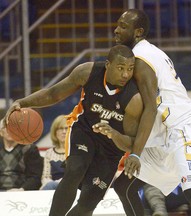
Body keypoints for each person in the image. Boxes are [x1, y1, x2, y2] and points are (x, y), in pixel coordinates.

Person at [110, 9, 191, 216]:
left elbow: (150, 107)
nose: (116, 30)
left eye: (122, 26)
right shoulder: (146, 53)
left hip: (182, 130)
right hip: (162, 135)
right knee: (123, 187)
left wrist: (136, 151)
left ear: (138, 32)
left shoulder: (141, 58)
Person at [3, 45, 143, 216]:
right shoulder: (87, 72)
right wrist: (23, 102)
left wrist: (113, 134)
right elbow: (53, 94)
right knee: (75, 170)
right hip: (84, 130)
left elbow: (129, 144)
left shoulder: (134, 99)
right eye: (121, 68)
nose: (126, 74)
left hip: (112, 147)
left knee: (88, 204)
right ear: (108, 64)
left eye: (130, 69)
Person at [0, 120, 43, 191]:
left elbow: (35, 177)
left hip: (22, 192)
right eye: (6, 127)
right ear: (1, 132)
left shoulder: (30, 149)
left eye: (13, 128)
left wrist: (22, 189)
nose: (10, 130)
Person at [40, 115, 67, 190]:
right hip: (52, 188)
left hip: (71, 187)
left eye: (67, 128)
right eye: (61, 129)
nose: (64, 132)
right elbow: (45, 177)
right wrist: (53, 184)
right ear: (55, 132)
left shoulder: (76, 151)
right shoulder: (49, 153)